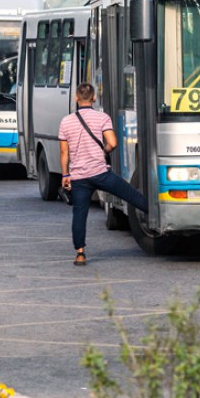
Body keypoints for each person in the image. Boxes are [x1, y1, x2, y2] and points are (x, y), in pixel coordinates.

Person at [59, 83, 149, 266]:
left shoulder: (66, 121)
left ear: (76, 98)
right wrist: (104, 151)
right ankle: (157, 215)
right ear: (94, 98)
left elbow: (64, 153)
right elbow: (113, 143)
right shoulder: (102, 118)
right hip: (101, 173)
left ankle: (80, 253)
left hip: (79, 177)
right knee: (132, 195)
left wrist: (64, 175)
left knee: (79, 214)